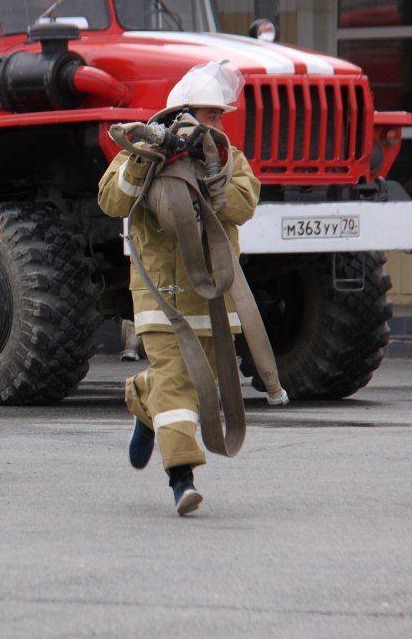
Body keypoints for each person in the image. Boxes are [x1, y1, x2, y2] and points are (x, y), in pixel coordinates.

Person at [97, 62, 260, 515]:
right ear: (179, 115)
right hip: (161, 296)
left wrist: (214, 166)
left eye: (219, 116)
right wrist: (141, 154)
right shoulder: (143, 151)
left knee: (195, 383)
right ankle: (181, 477)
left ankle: (141, 399)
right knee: (176, 382)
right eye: (209, 116)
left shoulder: (230, 157)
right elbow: (112, 201)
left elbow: (243, 206)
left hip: (211, 296)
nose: (216, 125)